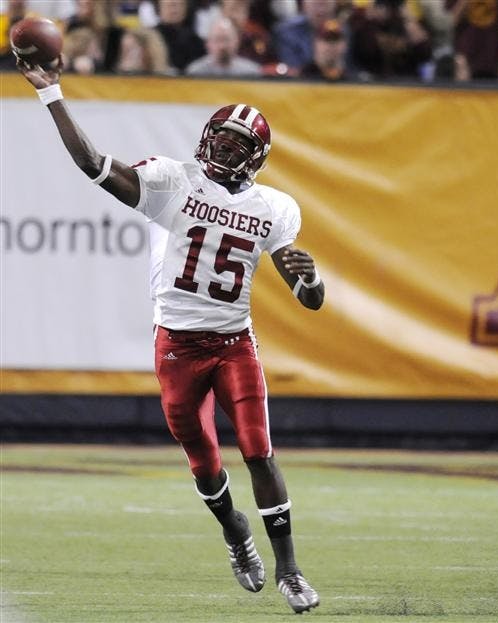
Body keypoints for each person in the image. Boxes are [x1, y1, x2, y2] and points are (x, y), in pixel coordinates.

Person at [15, 53, 323, 615]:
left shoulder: (275, 207)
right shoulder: (169, 179)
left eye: (238, 146)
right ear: (206, 138)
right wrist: (51, 94)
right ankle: (235, 534)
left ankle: (290, 570)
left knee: (259, 451)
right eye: (221, 140)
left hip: (234, 343)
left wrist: (314, 279)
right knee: (204, 460)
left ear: (255, 158)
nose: (226, 151)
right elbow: (92, 164)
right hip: (177, 347)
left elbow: (309, 300)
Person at [185, 16, 262, 77]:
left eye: (227, 39)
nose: (222, 46)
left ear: (237, 42)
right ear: (208, 44)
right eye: (218, 40)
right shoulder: (195, 72)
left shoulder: (251, 73)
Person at [301, 17, 352, 81]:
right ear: (315, 43)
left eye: (335, 40)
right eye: (326, 40)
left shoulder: (355, 77)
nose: (331, 45)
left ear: (344, 44)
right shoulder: (302, 76)